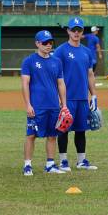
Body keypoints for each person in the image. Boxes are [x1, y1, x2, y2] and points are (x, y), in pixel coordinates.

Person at [53, 17, 98, 171]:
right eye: (73, 30)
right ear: (68, 31)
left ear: (82, 31)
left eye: (79, 30)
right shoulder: (61, 51)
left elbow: (90, 74)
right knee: (63, 128)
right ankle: (63, 161)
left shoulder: (86, 52)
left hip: (82, 98)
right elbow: (55, 74)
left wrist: (94, 95)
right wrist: (58, 97)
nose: (76, 32)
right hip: (67, 98)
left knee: (81, 129)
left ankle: (81, 160)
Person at [21, 30, 67, 176]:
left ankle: (50, 164)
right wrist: (28, 104)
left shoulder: (56, 62)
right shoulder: (29, 61)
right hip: (36, 106)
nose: (48, 45)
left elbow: (61, 84)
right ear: (37, 44)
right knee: (31, 135)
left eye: (50, 42)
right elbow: (25, 84)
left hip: (53, 105)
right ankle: (27, 165)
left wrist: (64, 105)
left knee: (52, 135)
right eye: (45, 42)